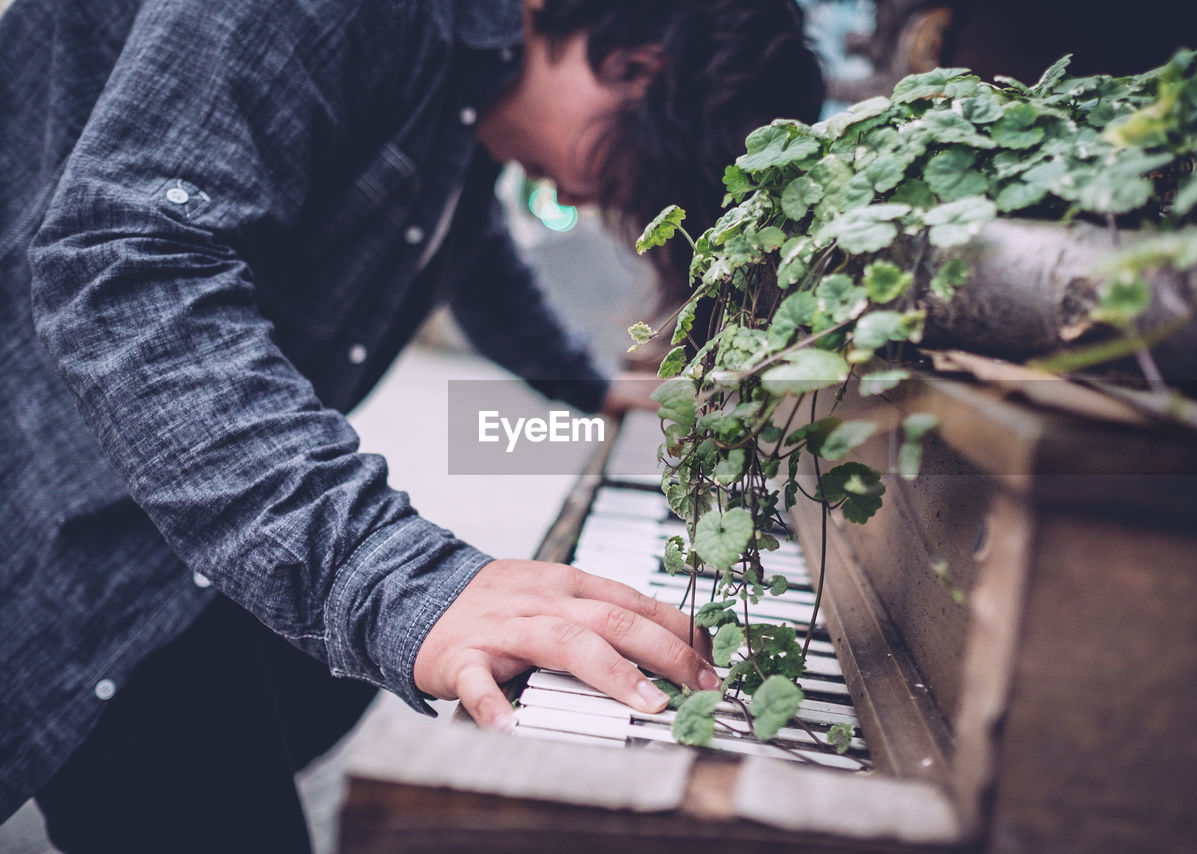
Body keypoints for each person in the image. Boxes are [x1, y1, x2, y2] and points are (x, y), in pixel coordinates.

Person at [0, 0, 824, 849]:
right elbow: (130, 261)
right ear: (636, 65)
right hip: (56, 496)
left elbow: (471, 250)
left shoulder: (470, 98)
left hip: (163, 498)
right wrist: (389, 573)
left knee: (327, 689)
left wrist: (585, 384)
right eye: (620, 178)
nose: (581, 195)